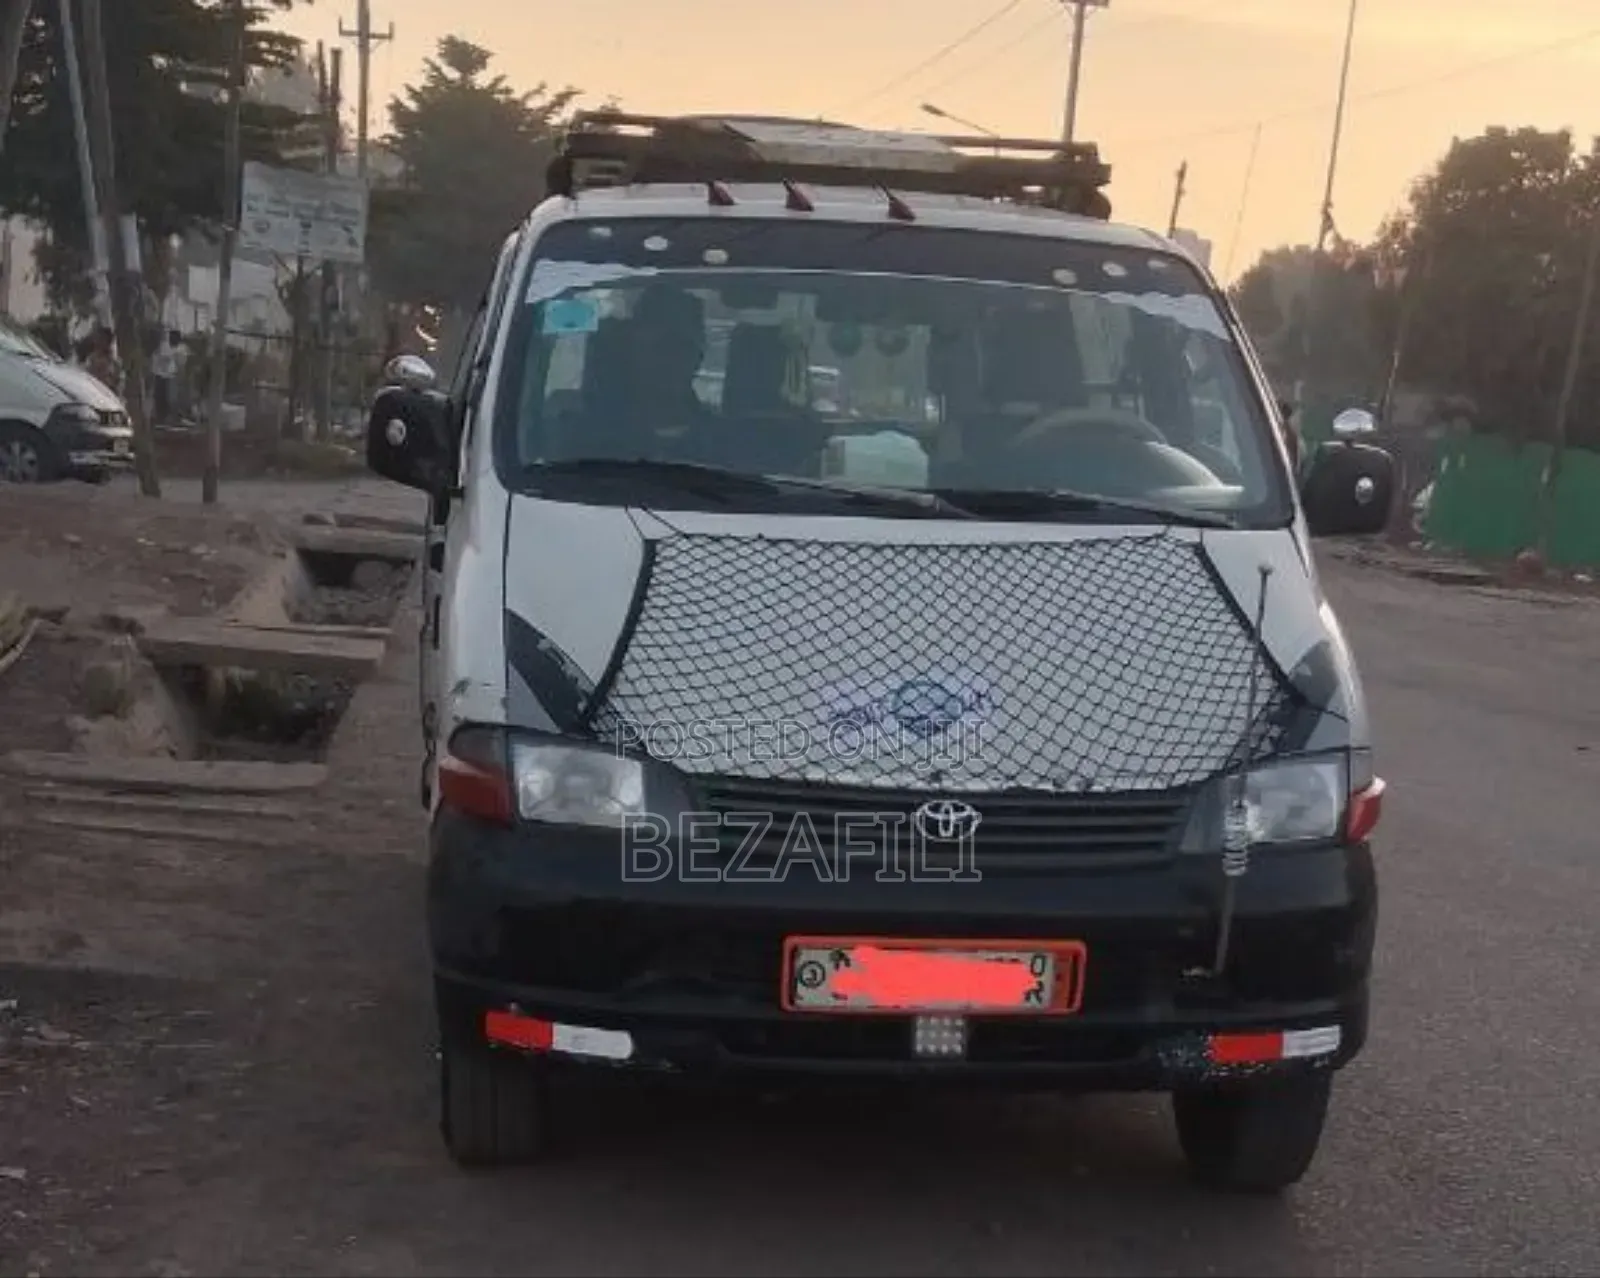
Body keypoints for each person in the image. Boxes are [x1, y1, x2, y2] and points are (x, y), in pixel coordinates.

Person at [149, 329, 178, 424]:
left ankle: (165, 418)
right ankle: (160, 418)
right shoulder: (163, 347)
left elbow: (168, 359)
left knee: (166, 399)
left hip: (167, 376)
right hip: (161, 376)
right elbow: (164, 359)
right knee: (160, 399)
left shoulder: (169, 347)